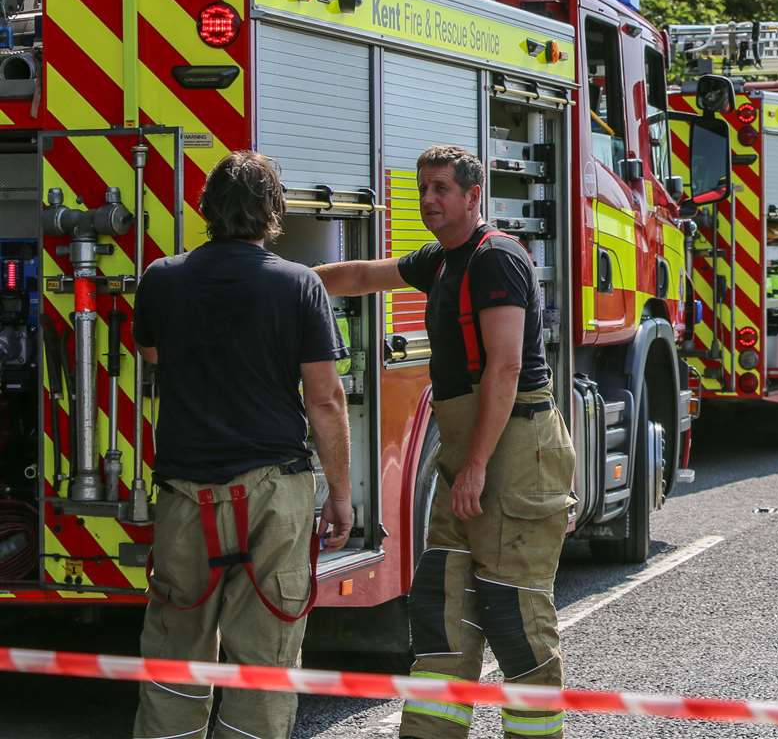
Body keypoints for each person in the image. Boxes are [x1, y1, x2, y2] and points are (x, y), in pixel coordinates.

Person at [314, 145, 573, 739]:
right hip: (468, 449)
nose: (429, 199)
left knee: (513, 612)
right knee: (441, 610)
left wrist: (476, 465)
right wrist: (281, 280)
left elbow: (505, 370)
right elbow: (359, 276)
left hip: (515, 450)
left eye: (441, 189)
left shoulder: (495, 261)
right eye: (423, 189)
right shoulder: (442, 260)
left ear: (472, 195)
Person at [132, 150, 352, 739]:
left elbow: (155, 356)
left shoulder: (162, 278)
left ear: (206, 210)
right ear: (273, 212)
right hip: (273, 491)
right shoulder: (298, 285)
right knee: (265, 656)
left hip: (184, 493)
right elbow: (325, 399)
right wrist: (340, 494)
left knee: (177, 651)